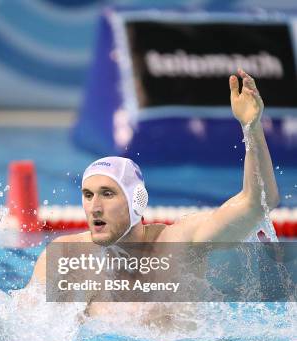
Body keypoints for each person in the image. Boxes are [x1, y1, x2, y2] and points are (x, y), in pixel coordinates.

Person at [26, 69, 280, 325]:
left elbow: (258, 202)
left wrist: (252, 128)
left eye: (107, 194)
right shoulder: (66, 258)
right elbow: (22, 327)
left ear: (137, 201)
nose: (95, 207)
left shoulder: (181, 244)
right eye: (88, 195)